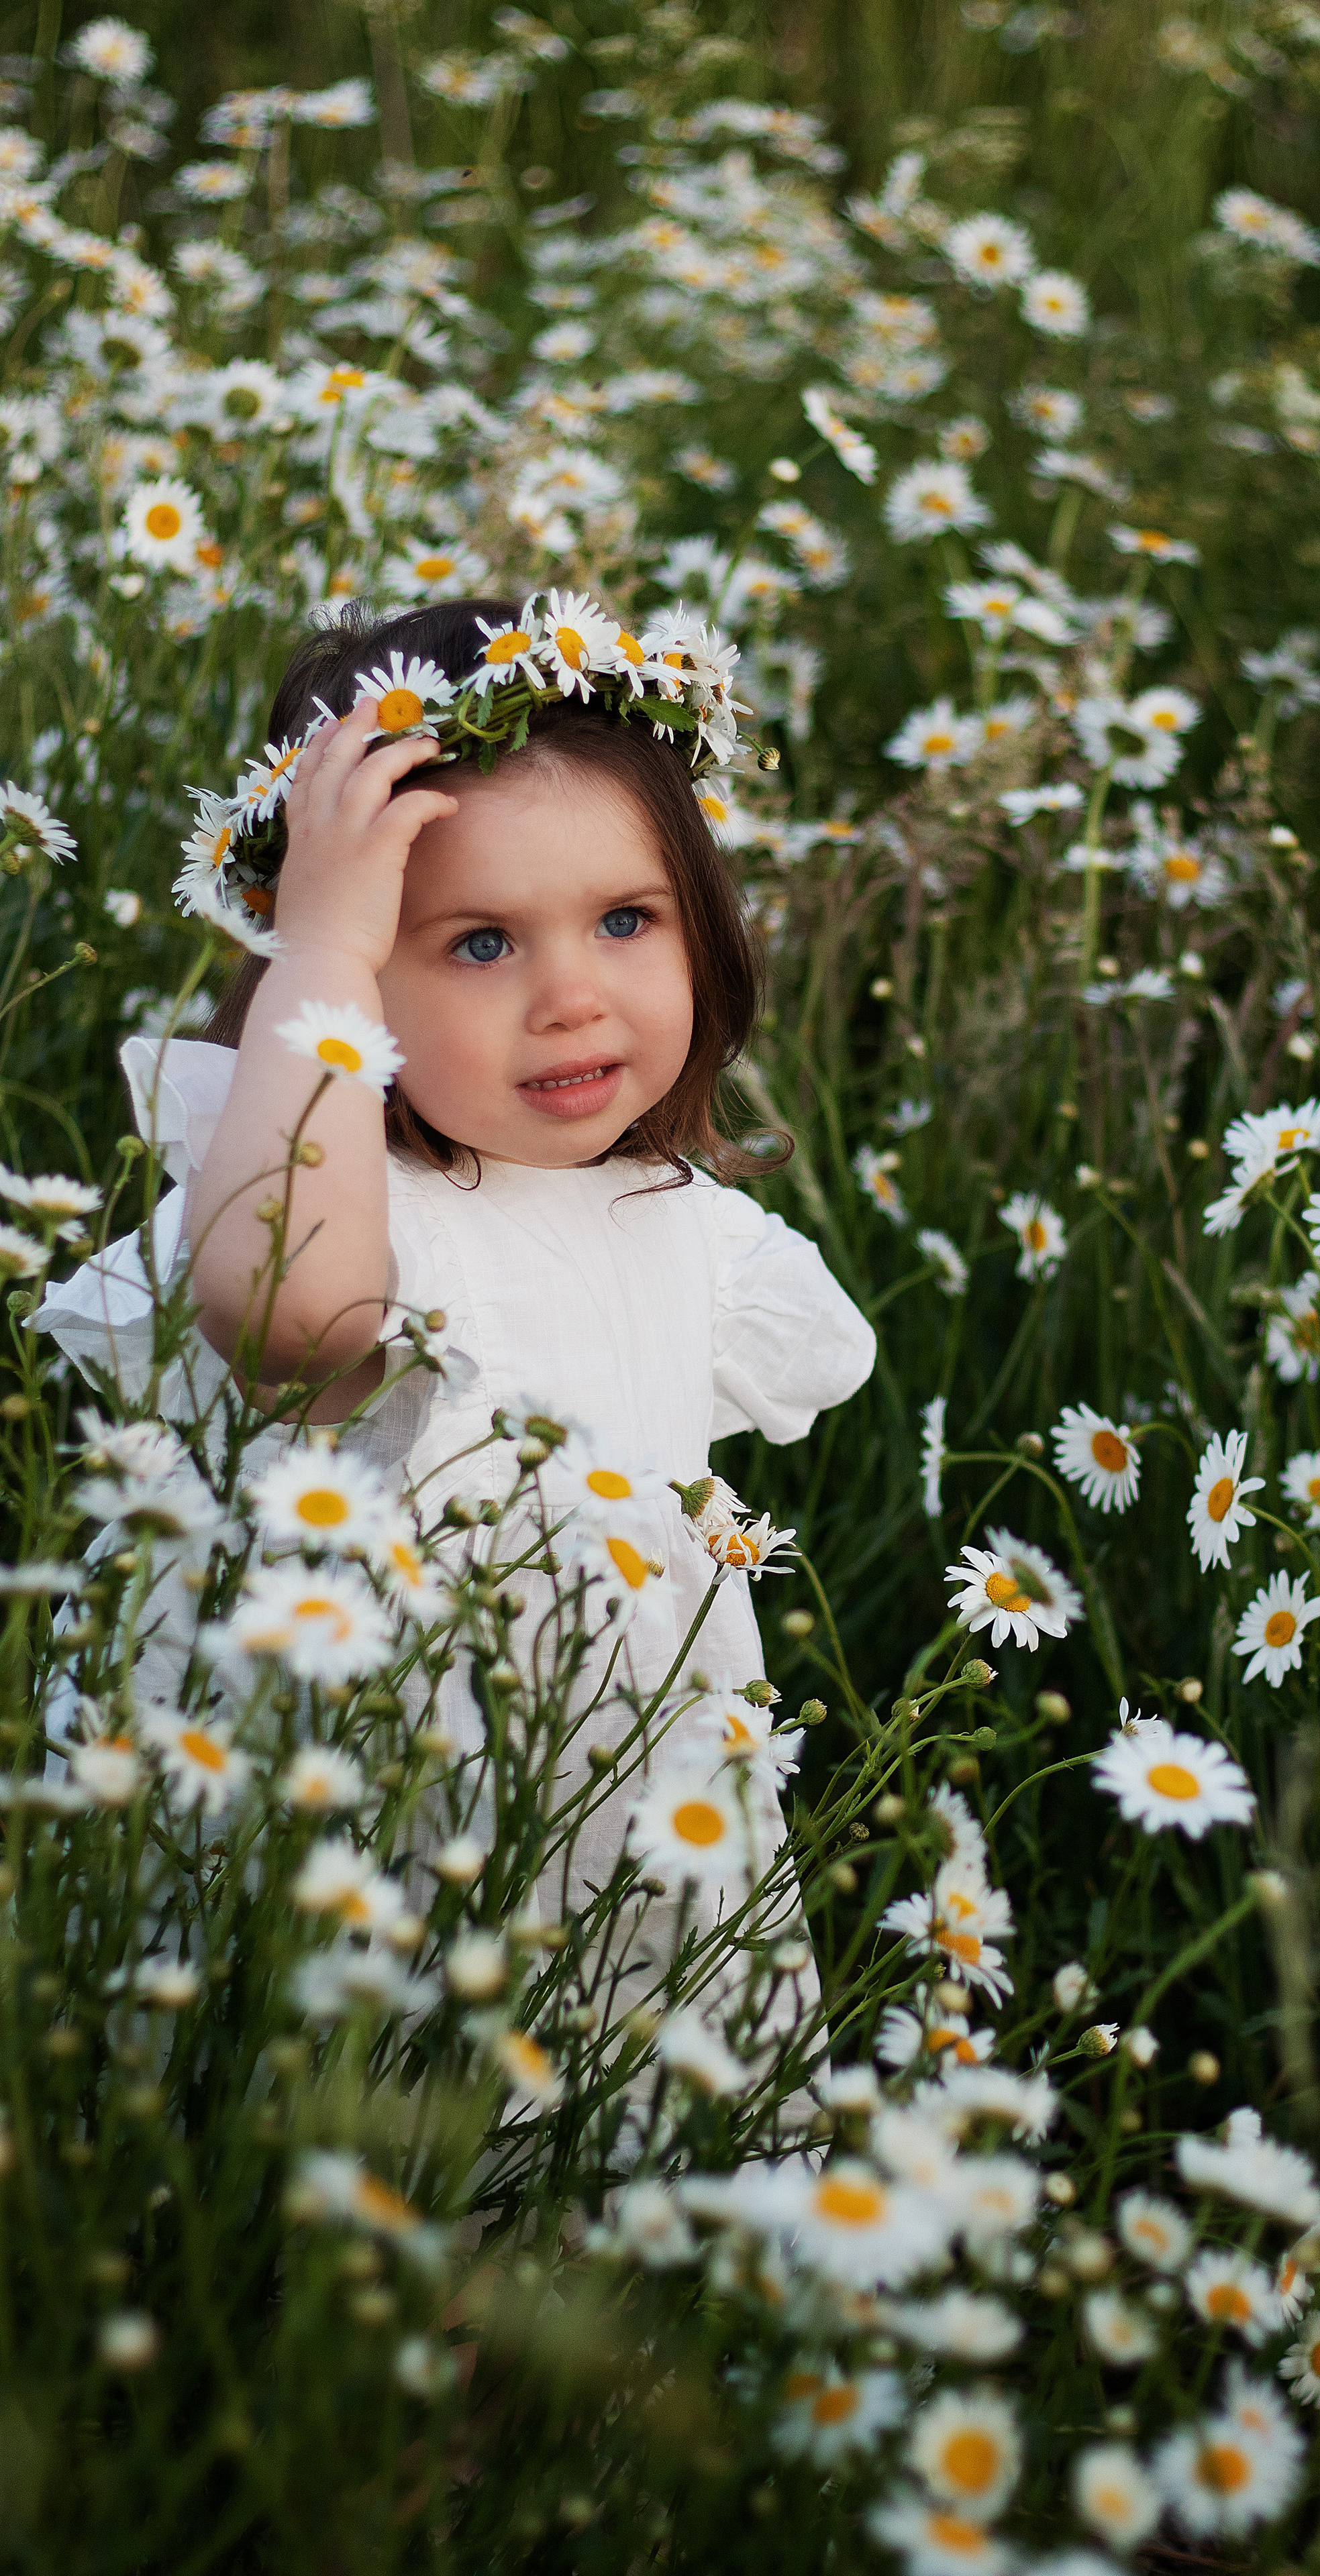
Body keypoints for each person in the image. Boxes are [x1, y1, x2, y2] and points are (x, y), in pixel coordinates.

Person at [40, 593, 875, 2068]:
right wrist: (322, 955)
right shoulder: (347, 1206)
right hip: (368, 1812)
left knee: (626, 2138)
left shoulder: (684, 1225)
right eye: (478, 943)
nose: (570, 996)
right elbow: (295, 1326)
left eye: (625, 921)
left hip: (624, 1795)